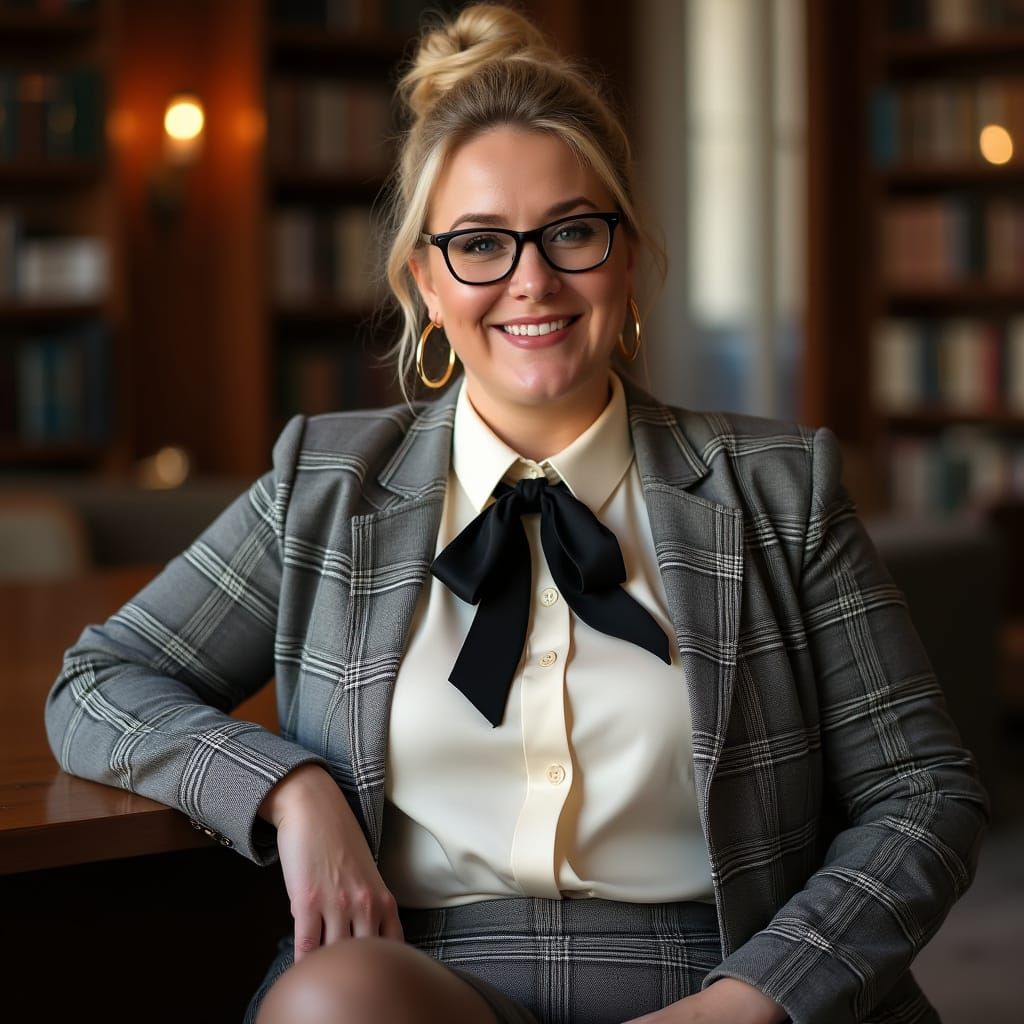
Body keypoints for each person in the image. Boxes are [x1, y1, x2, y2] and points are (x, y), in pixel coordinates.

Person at [45, 5, 989, 1023]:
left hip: (726, 962)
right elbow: (97, 682)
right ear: (426, 282)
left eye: (571, 232)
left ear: (626, 260)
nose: (531, 280)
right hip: (419, 973)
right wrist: (286, 785)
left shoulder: (776, 485)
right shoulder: (324, 484)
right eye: (481, 245)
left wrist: (753, 999)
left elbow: (925, 795)